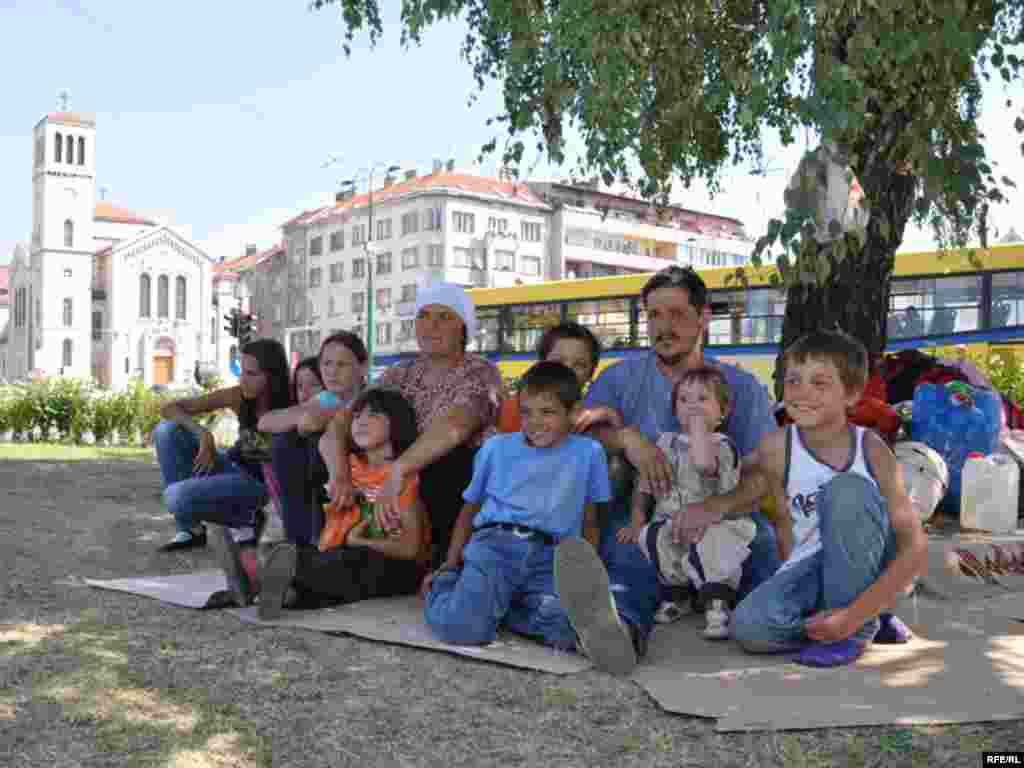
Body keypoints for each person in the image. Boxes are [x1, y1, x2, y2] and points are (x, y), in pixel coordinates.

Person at [553, 265, 780, 672]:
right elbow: (580, 432)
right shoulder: (620, 378)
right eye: (654, 315)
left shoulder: (740, 388)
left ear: (704, 317)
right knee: (626, 550)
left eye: (676, 314)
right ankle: (620, 632)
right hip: (650, 517)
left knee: (760, 553)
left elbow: (764, 473)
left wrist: (716, 508)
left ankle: (780, 616)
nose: (664, 326)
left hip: (723, 516)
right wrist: (626, 438)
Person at [679, 330, 927, 666]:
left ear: (852, 394)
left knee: (846, 490)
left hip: (869, 564)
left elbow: (914, 549)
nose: (802, 392)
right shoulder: (776, 447)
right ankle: (852, 620)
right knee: (749, 628)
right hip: (813, 568)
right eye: (793, 380)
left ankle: (854, 625)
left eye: (819, 383)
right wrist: (709, 498)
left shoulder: (871, 449)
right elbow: (755, 494)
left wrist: (853, 615)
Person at [423, 362, 621, 669]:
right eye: (526, 412)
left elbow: (590, 519)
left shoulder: (589, 452)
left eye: (547, 412)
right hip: (496, 544)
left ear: (573, 412)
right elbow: (470, 507)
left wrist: (588, 573)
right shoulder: (496, 448)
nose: (534, 422)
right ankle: (447, 588)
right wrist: (451, 562)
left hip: (552, 556)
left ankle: (505, 607)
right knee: (464, 630)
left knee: (564, 622)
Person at [324, 282, 503, 569]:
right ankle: (319, 543)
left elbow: (457, 425)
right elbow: (340, 423)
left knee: (449, 459)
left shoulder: (480, 371)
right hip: (392, 476)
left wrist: (399, 469)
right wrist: (340, 475)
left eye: (444, 317)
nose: (431, 326)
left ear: (463, 329)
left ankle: (436, 560)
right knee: (305, 447)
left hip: (443, 476)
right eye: (423, 316)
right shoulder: (400, 373)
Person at [214, 387, 428, 618]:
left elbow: (411, 549)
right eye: (356, 416)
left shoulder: (402, 475)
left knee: (340, 564)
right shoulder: (352, 467)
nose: (361, 422)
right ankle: (281, 593)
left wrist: (359, 540)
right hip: (349, 553)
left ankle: (258, 581)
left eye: (373, 414)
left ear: (396, 422)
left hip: (397, 565)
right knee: (311, 558)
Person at [619, 366, 753, 638]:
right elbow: (647, 483)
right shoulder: (665, 442)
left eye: (702, 399)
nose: (692, 406)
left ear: (722, 412)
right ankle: (677, 596)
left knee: (714, 550)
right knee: (654, 538)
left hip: (712, 522)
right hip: (671, 521)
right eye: (684, 400)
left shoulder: (721, 444)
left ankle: (718, 604)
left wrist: (697, 430)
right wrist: (637, 520)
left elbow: (705, 465)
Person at [153, 338, 291, 552]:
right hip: (233, 468)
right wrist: (202, 434)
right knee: (167, 429)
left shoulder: (292, 404)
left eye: (251, 374)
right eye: (242, 371)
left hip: (260, 485)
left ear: (273, 377)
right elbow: (170, 408)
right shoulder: (238, 395)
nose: (243, 380)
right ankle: (191, 530)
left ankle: (249, 518)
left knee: (175, 497)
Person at [260, 332, 368, 547]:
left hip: (362, 472)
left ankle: (305, 546)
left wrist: (307, 419)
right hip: (323, 475)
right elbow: (265, 421)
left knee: (299, 441)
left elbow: (314, 424)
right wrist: (304, 418)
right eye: (327, 364)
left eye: (342, 365)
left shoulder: (369, 399)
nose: (332, 372)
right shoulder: (326, 398)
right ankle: (299, 545)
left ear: (363, 368)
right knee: (285, 441)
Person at [496, 321, 622, 434]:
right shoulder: (512, 410)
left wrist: (612, 417)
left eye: (579, 365)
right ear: (541, 363)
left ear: (591, 373)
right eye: (558, 361)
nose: (567, 370)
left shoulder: (596, 418)